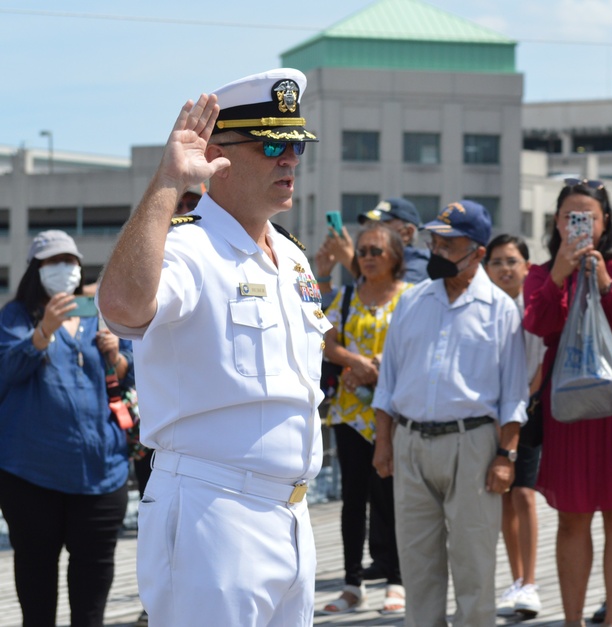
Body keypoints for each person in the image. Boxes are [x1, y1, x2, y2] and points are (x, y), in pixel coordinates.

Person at [97, 68, 331, 626]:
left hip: (293, 514)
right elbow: (124, 308)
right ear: (216, 156)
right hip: (212, 511)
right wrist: (166, 184)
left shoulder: (293, 257)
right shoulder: (185, 248)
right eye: (273, 144)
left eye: (296, 145)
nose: (289, 160)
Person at [371, 200, 528, 626]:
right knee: (418, 566)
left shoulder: (501, 310)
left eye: (449, 243)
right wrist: (384, 441)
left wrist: (505, 456)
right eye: (434, 241)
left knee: (474, 566)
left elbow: (514, 395)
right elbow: (388, 382)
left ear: (478, 252)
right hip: (409, 442)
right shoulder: (412, 301)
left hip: (473, 446)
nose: (437, 251)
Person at [523, 178, 612, 627]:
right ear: (556, 221)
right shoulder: (541, 271)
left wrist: (606, 280)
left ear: (605, 222)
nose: (580, 225)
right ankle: (572, 620)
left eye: (589, 217)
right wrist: (559, 271)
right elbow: (537, 322)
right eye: (571, 217)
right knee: (572, 519)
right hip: (568, 410)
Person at [0, 230, 132, 627]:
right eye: (54, 262)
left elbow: (130, 370)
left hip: (102, 475)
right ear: (36, 270)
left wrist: (117, 358)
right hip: (31, 476)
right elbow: (6, 370)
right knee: (37, 595)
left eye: (71, 261)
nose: (66, 269)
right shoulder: (16, 316)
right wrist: (43, 333)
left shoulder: (98, 312)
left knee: (91, 601)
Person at [319, 221, 411, 615]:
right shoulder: (344, 296)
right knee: (352, 499)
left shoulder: (410, 298)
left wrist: (378, 367)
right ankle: (352, 582)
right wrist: (356, 362)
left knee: (392, 497)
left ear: (395, 256)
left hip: (395, 411)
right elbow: (327, 343)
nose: (368, 257)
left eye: (377, 251)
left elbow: (413, 347)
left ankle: (396, 578)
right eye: (363, 251)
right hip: (351, 412)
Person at [485, 233, 547, 619]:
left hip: (528, 409)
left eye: (512, 261)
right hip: (490, 413)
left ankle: (531, 582)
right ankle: (516, 578)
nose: (505, 268)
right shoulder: (485, 307)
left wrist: (520, 403)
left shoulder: (533, 305)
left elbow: (540, 362)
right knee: (504, 496)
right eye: (497, 262)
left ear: (527, 266)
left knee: (524, 494)